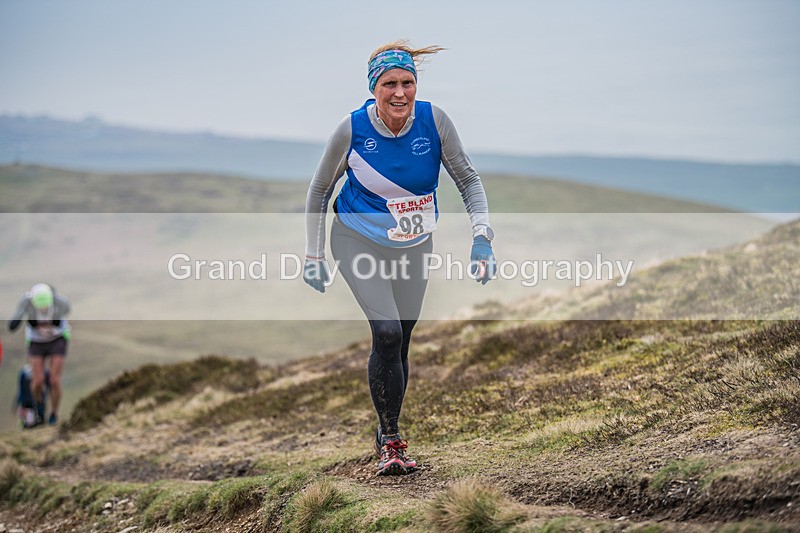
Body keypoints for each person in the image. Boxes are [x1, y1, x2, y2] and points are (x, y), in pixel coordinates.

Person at [303, 40, 496, 476]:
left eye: (408, 82)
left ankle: (385, 429)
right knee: (387, 334)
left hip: (414, 246)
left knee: (403, 341)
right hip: (357, 240)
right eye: (389, 83)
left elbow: (468, 180)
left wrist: (481, 238)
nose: (400, 93)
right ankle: (391, 440)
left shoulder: (434, 121)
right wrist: (314, 254)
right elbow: (319, 191)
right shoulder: (352, 130)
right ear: (374, 88)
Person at [8, 283, 71, 426]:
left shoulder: (59, 301)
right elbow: (16, 316)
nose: (43, 309)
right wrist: (15, 322)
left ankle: (54, 413)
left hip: (57, 339)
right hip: (36, 342)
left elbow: (67, 309)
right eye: (39, 306)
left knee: (55, 380)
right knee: (37, 381)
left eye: (45, 306)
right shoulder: (26, 301)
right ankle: (38, 409)